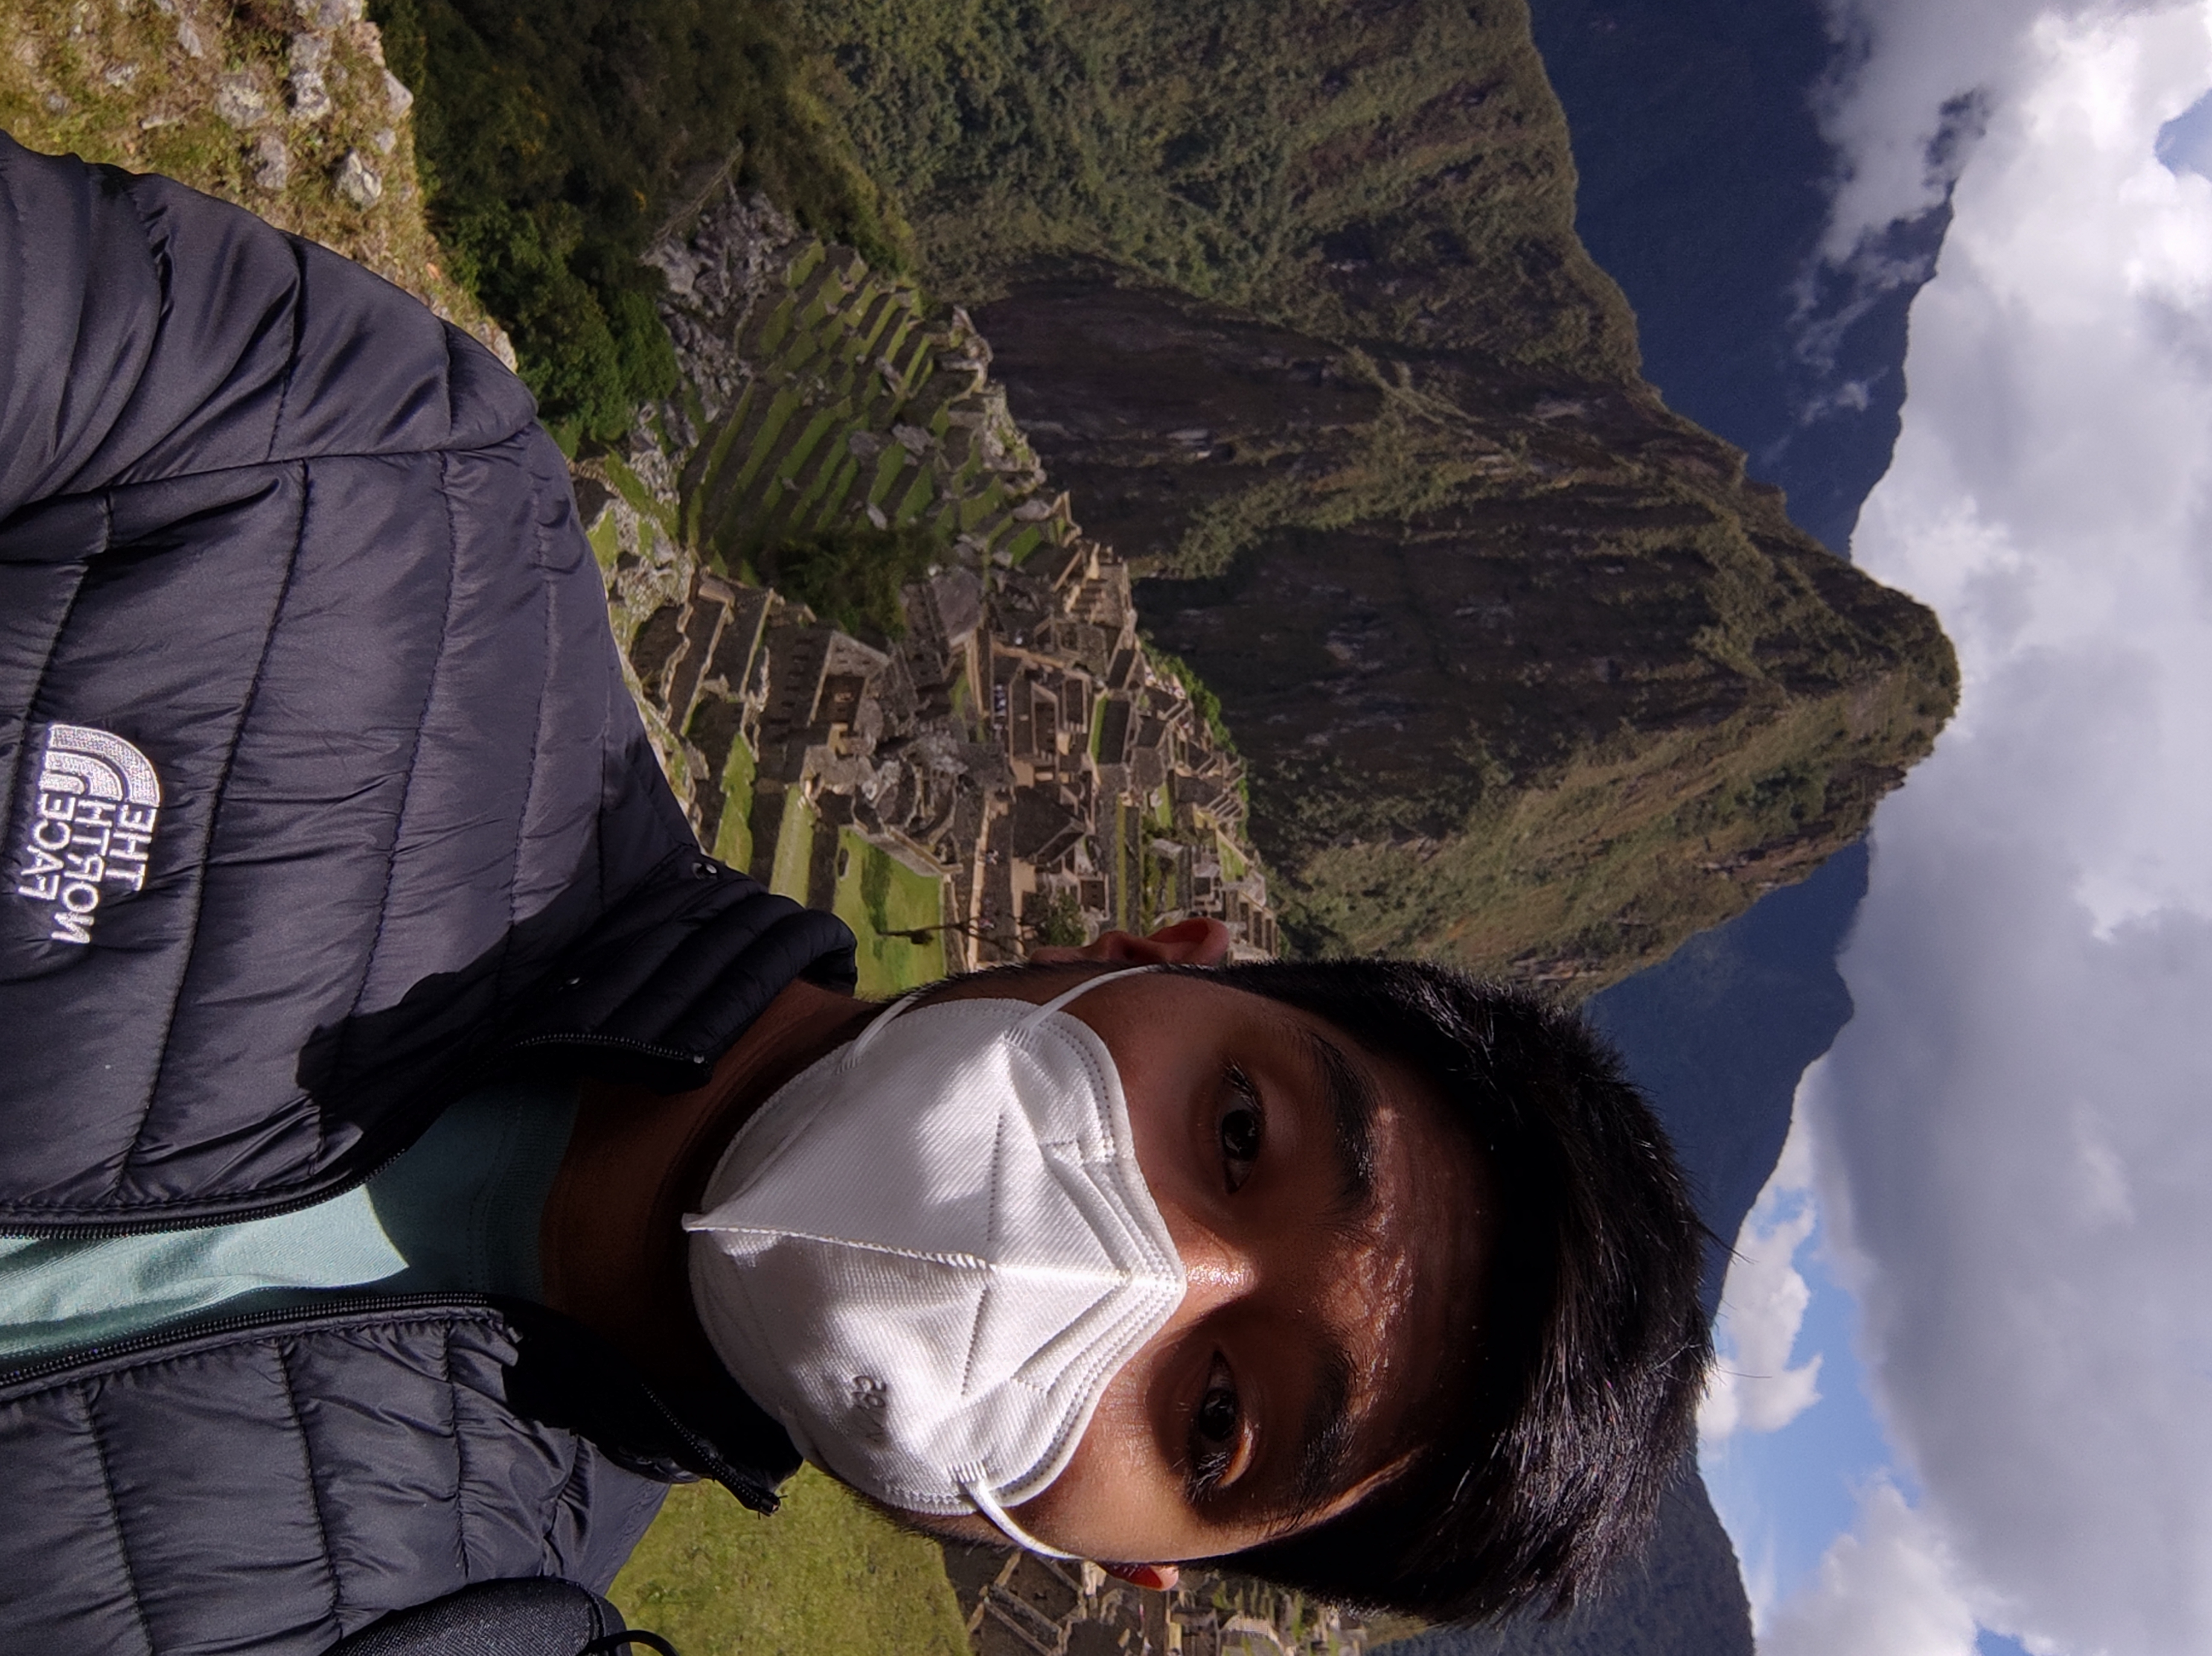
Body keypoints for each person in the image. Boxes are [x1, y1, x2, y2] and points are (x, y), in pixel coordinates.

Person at [0, 134, 1712, 1653]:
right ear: (1148, 956)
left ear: (1135, 1568)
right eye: (1240, 1135)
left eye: (1211, 1421)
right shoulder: (348, 494)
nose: (1120, 1269)